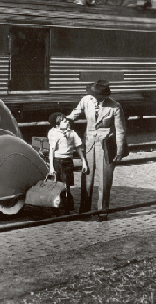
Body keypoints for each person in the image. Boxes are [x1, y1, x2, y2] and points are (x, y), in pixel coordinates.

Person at [67, 79, 128, 220]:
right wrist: (65, 120)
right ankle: (84, 209)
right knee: (86, 177)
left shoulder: (115, 107)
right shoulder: (86, 100)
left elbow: (120, 131)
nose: (96, 98)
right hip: (89, 144)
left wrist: (119, 151)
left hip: (106, 146)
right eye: (94, 95)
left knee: (105, 180)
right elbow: (75, 113)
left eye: (99, 97)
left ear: (105, 96)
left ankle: (102, 210)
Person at [47, 112, 89, 214]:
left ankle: (67, 208)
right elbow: (51, 152)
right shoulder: (54, 134)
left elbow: (79, 149)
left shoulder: (72, 134)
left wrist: (83, 162)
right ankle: (57, 207)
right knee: (59, 185)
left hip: (68, 162)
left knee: (67, 185)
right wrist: (52, 168)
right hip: (58, 161)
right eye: (65, 122)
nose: (67, 123)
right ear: (57, 125)